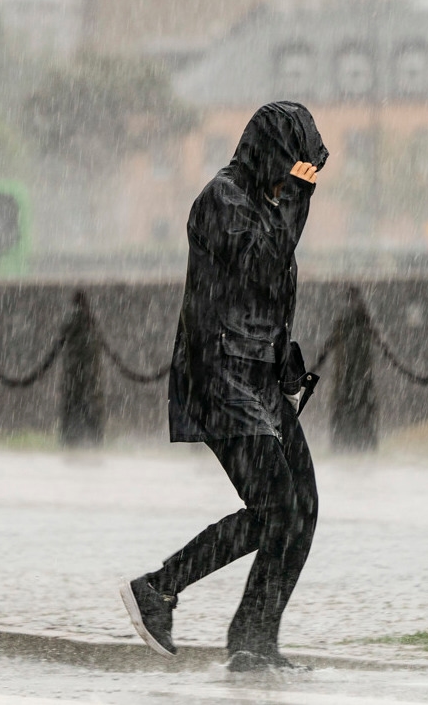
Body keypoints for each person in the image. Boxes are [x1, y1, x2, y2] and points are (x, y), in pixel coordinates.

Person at [121, 101, 328, 673]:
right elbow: (262, 265)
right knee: (277, 507)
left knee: (301, 507)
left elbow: (264, 297)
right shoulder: (223, 201)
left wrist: (286, 361)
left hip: (258, 379)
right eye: (294, 167)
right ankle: (159, 588)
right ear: (269, 154)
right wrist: (297, 203)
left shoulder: (265, 204)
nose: (298, 180)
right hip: (219, 378)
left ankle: (254, 636)